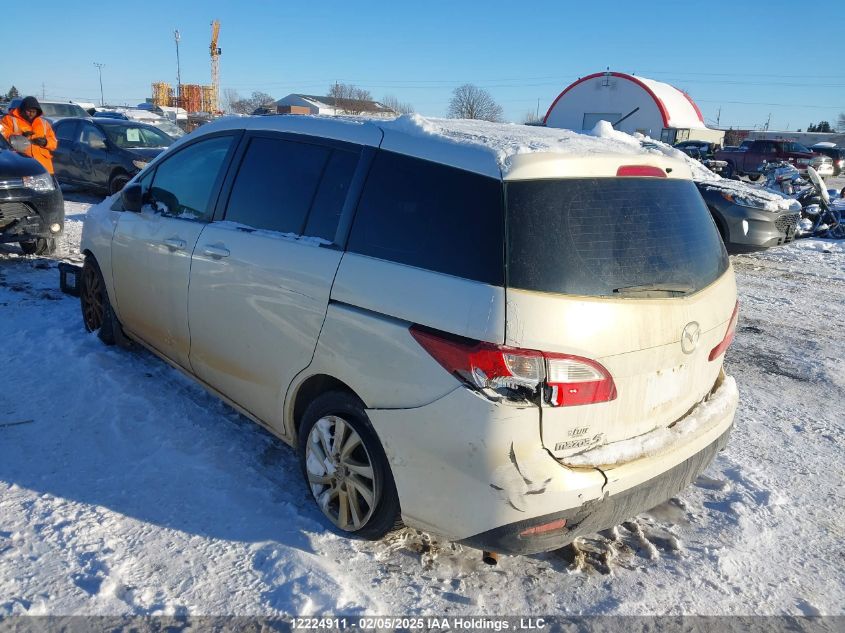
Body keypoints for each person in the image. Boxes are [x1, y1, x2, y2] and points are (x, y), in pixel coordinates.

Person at [0, 96, 58, 174]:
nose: (31, 114)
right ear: (22, 110)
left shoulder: (44, 123)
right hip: (21, 165)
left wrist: (45, 142)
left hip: (44, 168)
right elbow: (2, 137)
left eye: (34, 111)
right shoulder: (8, 120)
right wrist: (20, 136)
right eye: (28, 111)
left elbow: (54, 143)